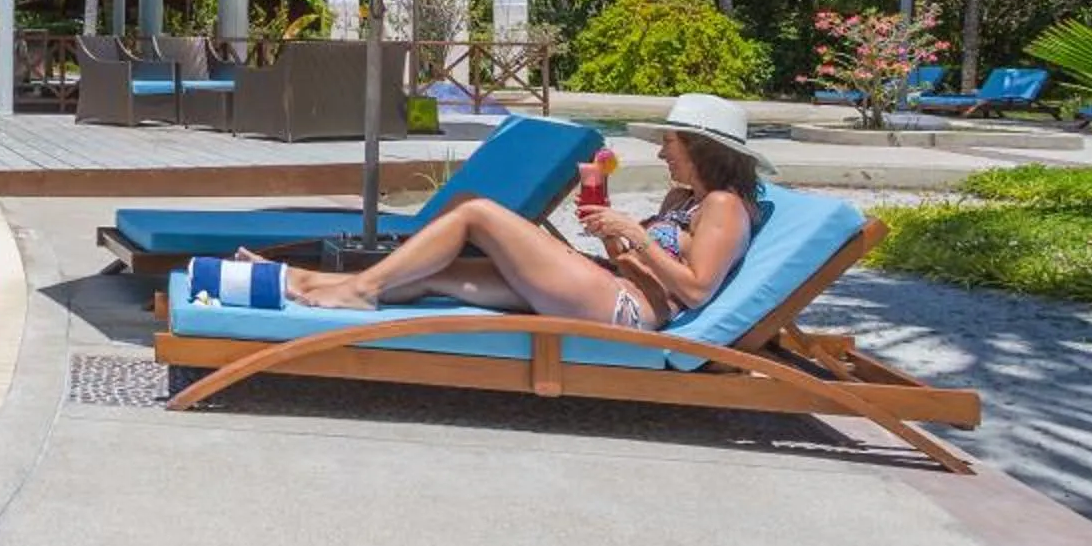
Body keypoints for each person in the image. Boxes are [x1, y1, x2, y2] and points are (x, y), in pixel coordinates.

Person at [254, 93, 765, 329]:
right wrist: (613, 236)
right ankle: (303, 283)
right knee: (444, 270)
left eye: (669, 143)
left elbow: (696, 290)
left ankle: (359, 290)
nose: (661, 152)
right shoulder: (684, 200)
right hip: (608, 281)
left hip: (625, 310)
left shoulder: (722, 206)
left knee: (477, 213)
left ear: (702, 147)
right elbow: (639, 258)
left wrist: (638, 233)